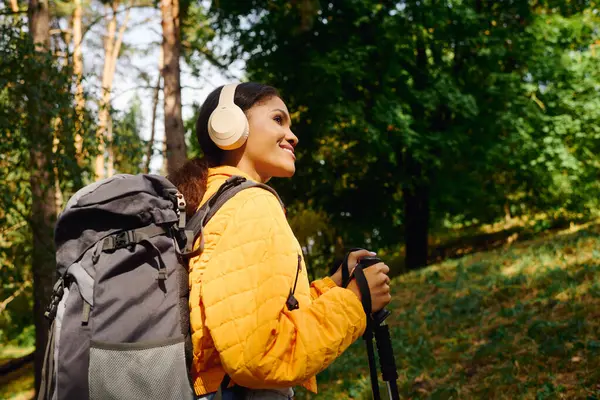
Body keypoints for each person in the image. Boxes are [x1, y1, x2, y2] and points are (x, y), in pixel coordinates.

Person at [170, 82, 392, 400]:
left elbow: (253, 315)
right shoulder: (251, 204)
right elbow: (257, 356)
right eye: (278, 119)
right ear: (229, 124)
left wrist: (335, 284)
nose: (293, 135)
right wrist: (355, 301)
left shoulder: (208, 203)